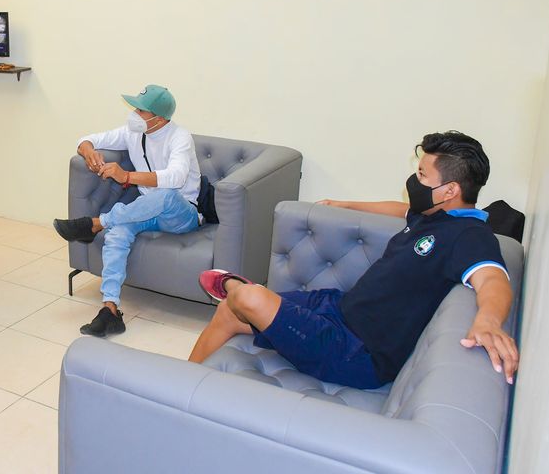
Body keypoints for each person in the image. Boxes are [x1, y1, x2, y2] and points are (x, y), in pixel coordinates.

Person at [189, 131, 519, 389]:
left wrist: (489, 321)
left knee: (249, 297)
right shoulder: (433, 214)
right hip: (340, 309)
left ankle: (235, 286)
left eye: (422, 175)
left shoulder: (470, 235)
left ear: (449, 190)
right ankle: (180, 383)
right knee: (229, 310)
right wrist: (345, 205)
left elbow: (493, 278)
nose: (414, 180)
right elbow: (400, 209)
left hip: (357, 352)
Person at [53, 85, 202, 337]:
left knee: (165, 195)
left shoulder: (180, 137)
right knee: (118, 233)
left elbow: (176, 177)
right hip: (147, 210)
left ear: (159, 118)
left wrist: (127, 176)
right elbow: (87, 139)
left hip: (182, 213)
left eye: (141, 110)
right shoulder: (133, 133)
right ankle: (110, 309)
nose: (134, 113)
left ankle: (96, 223)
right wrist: (89, 152)